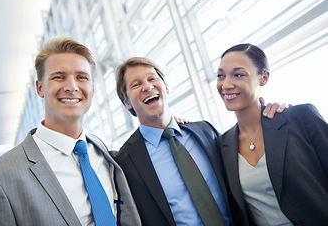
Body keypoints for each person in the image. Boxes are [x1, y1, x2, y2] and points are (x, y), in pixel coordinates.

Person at [0, 37, 141, 226]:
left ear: (92, 89)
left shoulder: (101, 152)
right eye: (58, 77)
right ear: (40, 88)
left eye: (81, 77)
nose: (72, 87)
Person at [113, 57, 283, 226]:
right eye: (136, 85)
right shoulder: (124, 162)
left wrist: (268, 117)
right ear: (127, 102)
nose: (148, 87)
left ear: (166, 88)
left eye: (152, 78)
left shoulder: (204, 131)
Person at [216, 43, 328, 226]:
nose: (226, 84)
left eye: (238, 74)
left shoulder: (300, 119)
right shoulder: (221, 146)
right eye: (221, 75)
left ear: (264, 78)